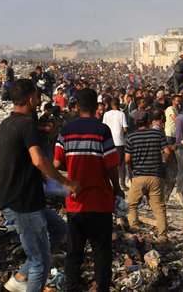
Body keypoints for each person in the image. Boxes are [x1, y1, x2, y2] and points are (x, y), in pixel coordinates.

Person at [0, 78, 80, 292]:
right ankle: (26, 281)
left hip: (15, 199)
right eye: (37, 97)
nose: (38, 100)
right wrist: (65, 182)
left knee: (59, 228)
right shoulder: (27, 124)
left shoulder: (6, 123)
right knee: (41, 262)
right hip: (24, 204)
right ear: (32, 99)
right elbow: (39, 160)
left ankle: (20, 277)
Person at [54, 88, 123, 292]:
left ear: (76, 106)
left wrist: (74, 165)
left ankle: (71, 288)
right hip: (100, 202)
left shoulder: (66, 131)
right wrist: (117, 188)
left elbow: (57, 163)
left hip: (75, 203)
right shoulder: (102, 131)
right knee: (102, 252)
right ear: (96, 108)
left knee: (74, 252)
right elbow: (111, 164)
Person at [125, 110, 171, 242]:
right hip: (156, 177)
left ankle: (135, 230)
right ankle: (162, 236)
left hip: (139, 177)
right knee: (159, 207)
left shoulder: (131, 137)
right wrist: (163, 164)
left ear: (135, 122)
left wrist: (133, 169)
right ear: (148, 121)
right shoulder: (157, 134)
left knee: (132, 205)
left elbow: (127, 159)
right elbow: (167, 152)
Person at [102, 98, 129, 191]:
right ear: (118, 105)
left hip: (108, 142)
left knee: (109, 163)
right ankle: (121, 184)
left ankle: (108, 183)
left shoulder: (106, 114)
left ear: (111, 104)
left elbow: (104, 127)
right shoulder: (122, 114)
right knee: (120, 164)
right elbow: (125, 128)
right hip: (119, 142)